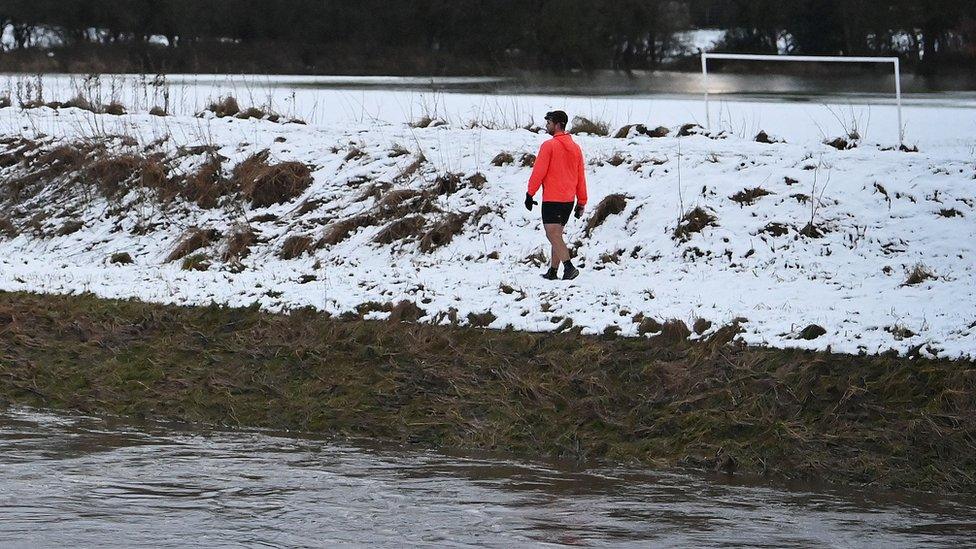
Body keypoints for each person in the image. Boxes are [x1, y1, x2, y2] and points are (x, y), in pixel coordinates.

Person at [525, 110, 587, 280]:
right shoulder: (575, 148)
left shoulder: (549, 146)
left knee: (552, 234)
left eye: (549, 123)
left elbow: (539, 172)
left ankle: (569, 267)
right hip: (568, 200)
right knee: (557, 235)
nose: (546, 126)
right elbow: (580, 176)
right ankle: (553, 271)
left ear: (557, 123)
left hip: (552, 199)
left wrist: (530, 193)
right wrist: (581, 201)